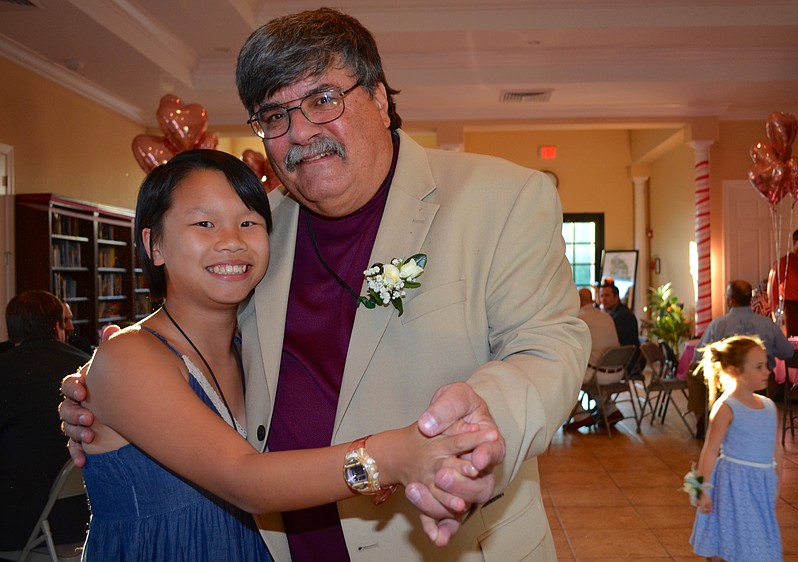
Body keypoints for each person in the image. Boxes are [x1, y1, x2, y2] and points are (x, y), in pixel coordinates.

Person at [61, 8, 590, 561]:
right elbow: (201, 347)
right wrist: (103, 385)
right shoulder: (259, 229)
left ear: (381, 99)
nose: (302, 133)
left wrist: (481, 435)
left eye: (322, 100)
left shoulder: (500, 199)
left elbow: (548, 347)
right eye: (275, 116)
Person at [77, 149, 495, 560]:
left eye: (248, 223)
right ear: (155, 245)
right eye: (204, 223)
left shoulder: (260, 350)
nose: (231, 242)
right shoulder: (129, 356)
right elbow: (244, 480)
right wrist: (391, 457)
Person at [0, 290, 91, 553]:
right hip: (82, 519)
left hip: (17, 527)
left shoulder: (4, 370)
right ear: (56, 326)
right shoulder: (87, 368)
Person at [687, 335, 783, 561]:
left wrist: (779, 480)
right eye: (758, 367)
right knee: (730, 538)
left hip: (761, 485)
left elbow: (775, 449)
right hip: (733, 486)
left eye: (766, 365)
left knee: (759, 541)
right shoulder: (726, 407)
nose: (766, 371)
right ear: (733, 371)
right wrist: (702, 489)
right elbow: (710, 450)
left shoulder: (769, 406)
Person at [688, 280, 794, 436]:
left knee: (693, 371)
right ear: (749, 300)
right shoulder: (767, 324)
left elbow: (698, 356)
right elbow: (788, 353)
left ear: (731, 300)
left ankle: (704, 418)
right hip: (761, 385)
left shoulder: (718, 325)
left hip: (727, 384)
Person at [564, 288, 623, 429]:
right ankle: (610, 410)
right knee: (590, 369)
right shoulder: (607, 316)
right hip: (619, 371)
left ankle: (580, 415)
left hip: (599, 374)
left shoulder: (579, 319)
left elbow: (569, 348)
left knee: (564, 376)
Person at [767, 227, 798, 336]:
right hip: (791, 307)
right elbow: (772, 288)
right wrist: (775, 314)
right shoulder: (784, 262)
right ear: (794, 242)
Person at [599, 282, 643, 379]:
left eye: (607, 295)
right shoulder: (612, 313)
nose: (603, 299)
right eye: (601, 296)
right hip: (625, 360)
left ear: (616, 297)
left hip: (627, 363)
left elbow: (614, 342)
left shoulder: (622, 316)